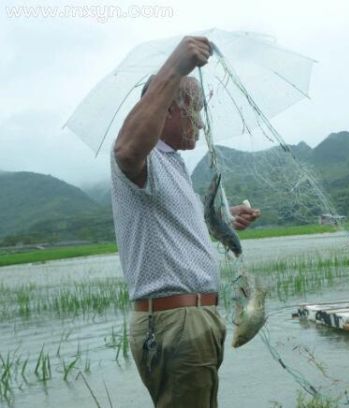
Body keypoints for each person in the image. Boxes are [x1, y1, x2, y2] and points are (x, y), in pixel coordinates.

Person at [110, 36, 260, 407]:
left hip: (193, 320)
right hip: (176, 323)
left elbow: (176, 226)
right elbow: (126, 150)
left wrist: (225, 221)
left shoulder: (173, 163)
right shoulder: (141, 158)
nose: (201, 120)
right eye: (197, 109)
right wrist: (176, 68)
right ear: (169, 111)